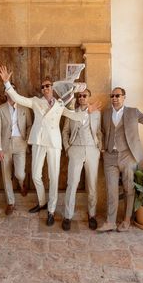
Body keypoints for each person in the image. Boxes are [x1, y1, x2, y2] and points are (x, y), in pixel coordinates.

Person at [0, 65, 101, 226]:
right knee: (35, 175)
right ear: (41, 89)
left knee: (54, 177)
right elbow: (18, 98)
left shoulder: (60, 104)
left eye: (48, 85)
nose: (45, 88)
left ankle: (51, 211)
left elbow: (74, 116)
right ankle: (42, 202)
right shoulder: (35, 101)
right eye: (43, 86)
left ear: (52, 88)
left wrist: (88, 111)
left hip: (54, 143)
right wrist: (7, 83)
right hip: (39, 141)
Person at [97, 87, 143, 232]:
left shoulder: (133, 112)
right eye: (112, 96)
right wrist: (102, 147)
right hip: (110, 156)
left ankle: (127, 220)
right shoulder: (106, 113)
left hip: (128, 155)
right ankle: (110, 221)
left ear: (124, 97)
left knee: (129, 189)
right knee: (111, 190)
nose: (114, 98)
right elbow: (101, 131)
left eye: (117, 95)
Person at [61, 89, 102, 231]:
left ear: (89, 97)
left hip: (92, 149)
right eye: (80, 96)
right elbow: (65, 131)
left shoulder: (96, 113)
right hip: (76, 149)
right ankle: (67, 216)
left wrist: (99, 148)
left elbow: (98, 131)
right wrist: (67, 148)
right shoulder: (72, 112)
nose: (82, 98)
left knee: (92, 184)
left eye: (85, 96)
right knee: (72, 183)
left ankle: (92, 215)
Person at [0, 85, 32, 215]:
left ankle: (21, 183)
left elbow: (29, 126)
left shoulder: (24, 108)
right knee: (6, 175)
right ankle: (10, 202)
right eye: (8, 90)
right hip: (5, 145)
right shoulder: (0, 109)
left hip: (20, 143)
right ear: (5, 93)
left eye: (13, 90)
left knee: (19, 173)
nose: (11, 92)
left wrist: (26, 142)